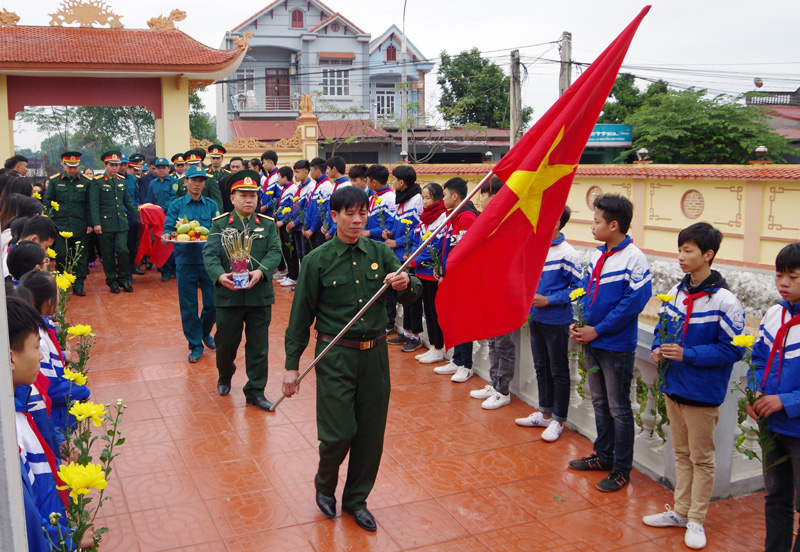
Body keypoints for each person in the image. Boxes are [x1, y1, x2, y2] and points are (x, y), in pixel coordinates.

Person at [282, 185, 421, 532]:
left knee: (370, 434)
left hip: (374, 357)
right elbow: (300, 316)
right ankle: (325, 483)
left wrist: (405, 283)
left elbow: (412, 291)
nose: (358, 220)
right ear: (335, 216)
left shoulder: (379, 251)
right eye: (350, 214)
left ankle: (356, 500)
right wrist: (290, 366)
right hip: (335, 356)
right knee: (338, 433)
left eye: (363, 213)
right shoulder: (317, 261)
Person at [640, 222, 745, 549]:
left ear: (708, 254)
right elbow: (662, 329)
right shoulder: (676, 292)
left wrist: (689, 354)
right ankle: (681, 512)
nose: (681, 257)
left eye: (689, 250)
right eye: (680, 249)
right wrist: (659, 347)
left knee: (702, 458)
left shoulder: (726, 301)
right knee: (682, 453)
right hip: (674, 386)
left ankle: (697, 519)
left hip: (702, 392)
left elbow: (734, 348)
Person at [569, 194, 652, 492]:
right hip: (592, 339)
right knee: (600, 402)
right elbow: (584, 291)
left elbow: (633, 303)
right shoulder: (596, 255)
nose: (592, 226)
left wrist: (598, 330)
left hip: (615, 345)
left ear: (613, 224)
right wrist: (577, 321)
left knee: (619, 407)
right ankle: (602, 456)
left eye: (596, 221)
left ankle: (621, 469)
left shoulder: (634, 259)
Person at [203, 169, 281, 411]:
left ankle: (255, 391)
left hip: (259, 295)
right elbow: (210, 255)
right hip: (229, 295)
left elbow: (275, 252)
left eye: (253, 196)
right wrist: (219, 275)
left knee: (258, 346)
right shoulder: (220, 223)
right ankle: (225, 374)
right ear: (233, 197)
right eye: (244, 195)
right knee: (226, 342)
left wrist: (261, 271)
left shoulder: (267, 225)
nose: (249, 200)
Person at [744, 242, 800, 552]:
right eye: (780, 275)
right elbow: (759, 358)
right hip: (773, 426)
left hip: (797, 427)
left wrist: (786, 401)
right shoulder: (774, 314)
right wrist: (756, 391)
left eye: (793, 276)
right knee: (776, 497)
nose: (784, 283)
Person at [515, 204, 582, 437]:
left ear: (555, 222)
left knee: (559, 370)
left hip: (557, 320)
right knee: (541, 366)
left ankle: (558, 420)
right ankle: (544, 413)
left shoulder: (568, 253)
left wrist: (550, 300)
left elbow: (579, 288)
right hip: (536, 318)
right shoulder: (535, 248)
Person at [163, 166, 221, 363]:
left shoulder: (211, 205)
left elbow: (218, 227)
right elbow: (169, 228)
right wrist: (165, 235)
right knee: (188, 306)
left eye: (201, 180)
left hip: (208, 261)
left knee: (213, 302)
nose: (197, 184)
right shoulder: (176, 205)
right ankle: (195, 345)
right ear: (185, 182)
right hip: (185, 260)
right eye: (193, 180)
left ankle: (204, 333)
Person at [433, 177, 479, 379]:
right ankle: (457, 359)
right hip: (451, 277)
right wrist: (441, 269)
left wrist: (452, 275)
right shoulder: (454, 216)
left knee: (464, 320)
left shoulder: (467, 217)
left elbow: (466, 252)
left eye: (444, 196)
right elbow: (449, 247)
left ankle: (466, 365)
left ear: (455, 196)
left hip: (463, 279)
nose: (442, 200)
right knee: (454, 319)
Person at [383, 165, 424, 352]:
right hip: (398, 254)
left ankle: (415, 336)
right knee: (402, 296)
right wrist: (389, 232)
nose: (392, 183)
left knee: (412, 297)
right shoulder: (402, 200)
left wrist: (396, 242)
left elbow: (416, 231)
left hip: (408, 254)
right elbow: (398, 224)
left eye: (394, 179)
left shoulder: (416, 200)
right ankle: (406, 332)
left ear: (401, 182)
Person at [89, 150, 140, 294]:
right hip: (105, 224)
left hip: (121, 222)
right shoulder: (97, 182)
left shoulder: (121, 181)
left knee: (123, 250)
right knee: (108, 253)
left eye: (117, 165)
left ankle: (123, 279)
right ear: (105, 165)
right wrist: (96, 223)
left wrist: (138, 216)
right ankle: (112, 281)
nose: (115, 168)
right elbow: (94, 204)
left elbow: (127, 202)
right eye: (111, 165)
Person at [408, 183, 448, 364]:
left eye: (428, 198)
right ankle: (432, 346)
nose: (424, 202)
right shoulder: (423, 219)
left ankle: (439, 348)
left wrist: (414, 260)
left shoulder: (443, 218)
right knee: (428, 311)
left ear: (438, 199)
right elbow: (417, 240)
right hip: (421, 272)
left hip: (432, 272)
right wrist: (413, 257)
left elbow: (436, 246)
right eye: (423, 198)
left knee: (435, 311)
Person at [43, 151, 93, 295]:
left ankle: (78, 284)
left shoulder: (86, 181)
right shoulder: (54, 181)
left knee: (80, 257)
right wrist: (49, 223)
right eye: (70, 166)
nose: (72, 169)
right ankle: (63, 282)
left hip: (80, 224)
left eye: (75, 166)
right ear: (64, 164)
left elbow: (90, 204)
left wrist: (90, 223)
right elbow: (48, 202)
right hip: (60, 225)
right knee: (61, 255)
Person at [144, 157, 178, 281]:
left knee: (172, 243)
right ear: (155, 170)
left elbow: (173, 198)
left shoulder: (174, 182)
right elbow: (149, 200)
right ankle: (165, 270)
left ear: (169, 168)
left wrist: (161, 209)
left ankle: (173, 268)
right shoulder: (153, 183)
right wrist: (149, 212)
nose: (161, 170)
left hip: (171, 216)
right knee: (161, 244)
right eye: (159, 168)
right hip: (157, 219)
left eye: (164, 168)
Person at [274, 166, 299, 288]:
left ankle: (294, 276)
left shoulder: (293, 189)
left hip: (288, 224)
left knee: (291, 250)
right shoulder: (285, 189)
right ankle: (290, 273)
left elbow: (292, 207)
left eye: (279, 176)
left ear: (284, 177)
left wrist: (283, 221)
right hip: (284, 223)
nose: (277, 179)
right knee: (285, 249)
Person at [303, 157, 332, 249]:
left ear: (318, 171)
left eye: (311, 170)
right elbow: (310, 208)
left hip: (319, 231)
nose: (310, 173)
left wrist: (312, 229)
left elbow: (322, 211)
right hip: (312, 230)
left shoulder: (326, 186)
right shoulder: (318, 186)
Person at [288, 159, 313, 263]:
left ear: (306, 172)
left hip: (303, 226)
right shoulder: (298, 188)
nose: (295, 175)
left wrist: (296, 222)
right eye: (294, 172)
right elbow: (293, 206)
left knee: (306, 254)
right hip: (296, 227)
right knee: (299, 254)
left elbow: (308, 209)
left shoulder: (311, 187)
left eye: (297, 172)